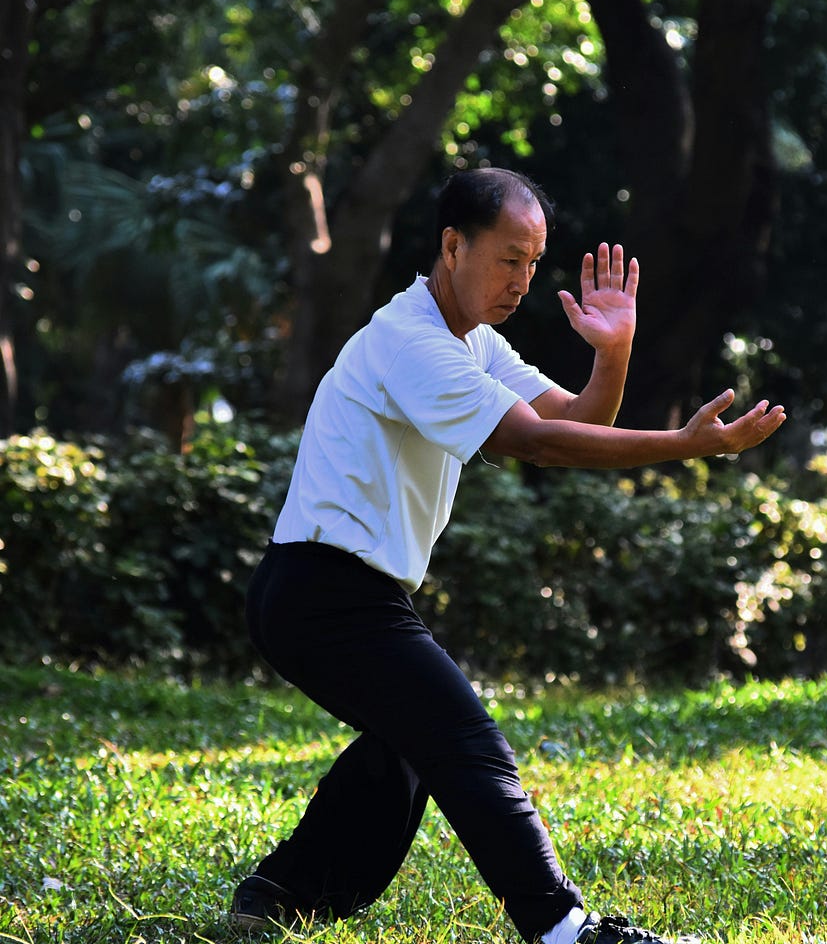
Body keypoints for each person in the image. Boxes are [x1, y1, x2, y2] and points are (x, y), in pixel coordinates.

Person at [231, 167, 786, 944]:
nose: (523, 280)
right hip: (323, 592)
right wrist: (685, 446)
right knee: (463, 743)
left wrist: (613, 351)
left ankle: (279, 898)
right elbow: (533, 442)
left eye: (534, 262)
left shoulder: (475, 343)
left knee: (413, 745)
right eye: (508, 259)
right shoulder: (411, 342)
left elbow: (577, 419)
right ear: (453, 246)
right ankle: (563, 930)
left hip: (338, 594)